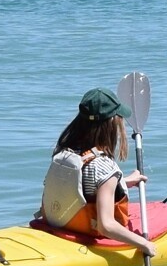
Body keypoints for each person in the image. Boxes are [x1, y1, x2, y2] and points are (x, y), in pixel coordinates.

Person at [40, 87, 156, 256]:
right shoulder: (104, 167)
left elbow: (82, 186)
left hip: (61, 224)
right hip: (88, 231)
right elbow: (106, 226)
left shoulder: (64, 152)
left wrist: (122, 182)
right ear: (111, 124)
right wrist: (144, 243)